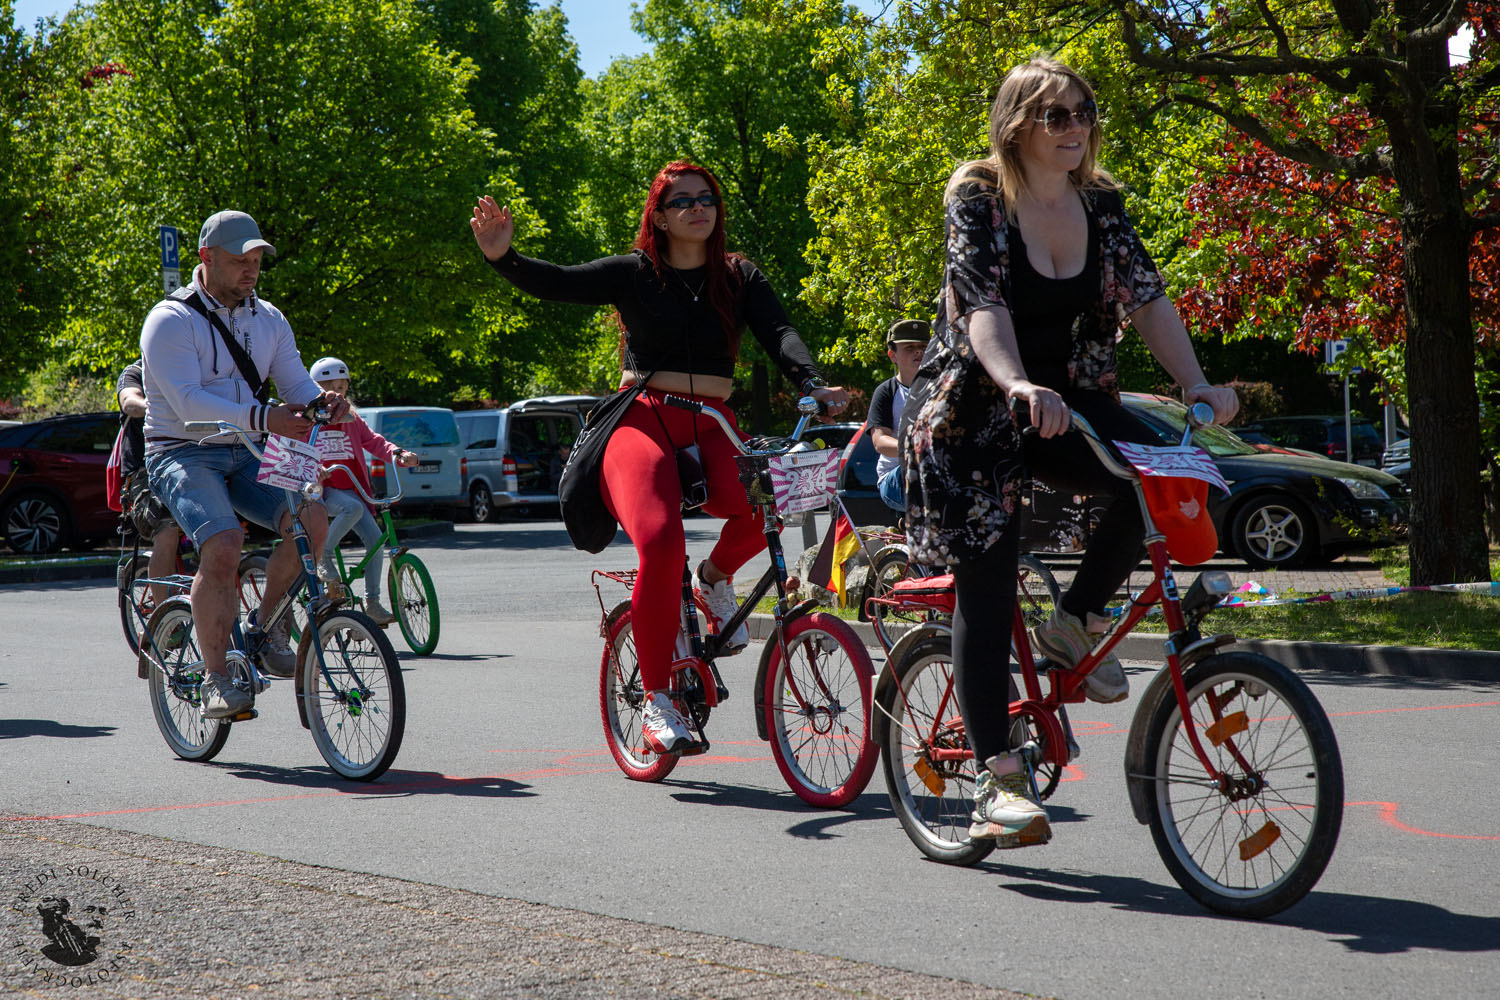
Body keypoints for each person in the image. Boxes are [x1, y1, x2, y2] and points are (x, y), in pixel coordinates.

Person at [902, 58, 1238, 847]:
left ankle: (1075, 620)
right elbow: (981, 305)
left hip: (1074, 399)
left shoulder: (1103, 203)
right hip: (981, 409)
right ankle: (997, 780)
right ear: (1016, 123)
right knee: (987, 584)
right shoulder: (979, 195)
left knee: (1172, 480)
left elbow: (1148, 297)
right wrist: (1018, 384)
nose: (1075, 127)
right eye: (1056, 115)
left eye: (1084, 112)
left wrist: (1196, 386)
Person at [471, 161, 850, 755]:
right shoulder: (635, 273)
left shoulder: (739, 277)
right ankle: (657, 700)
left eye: (708, 199)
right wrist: (503, 257)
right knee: (660, 539)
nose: (699, 208)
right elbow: (560, 281)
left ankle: (713, 581)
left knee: (764, 507)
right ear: (660, 215)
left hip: (713, 423)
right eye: (683, 201)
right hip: (641, 418)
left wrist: (814, 381)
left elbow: (781, 334)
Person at [141, 210, 348, 719]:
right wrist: (264, 416)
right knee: (224, 543)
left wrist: (322, 402)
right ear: (205, 258)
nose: (250, 271)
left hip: (249, 448)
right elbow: (187, 403)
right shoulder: (170, 321)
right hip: (182, 450)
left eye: (256, 261)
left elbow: (295, 386)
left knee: (313, 521)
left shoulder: (269, 318)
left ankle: (268, 625)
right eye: (239, 262)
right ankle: (216, 680)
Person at [304, 355, 419, 624]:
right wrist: (314, 467)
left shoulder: (352, 418)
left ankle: (372, 603)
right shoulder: (307, 419)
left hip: (354, 489)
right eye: (329, 386)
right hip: (324, 491)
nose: (337, 392)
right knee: (351, 507)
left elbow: (374, 441)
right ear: (314, 388)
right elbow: (295, 451)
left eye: (342, 387)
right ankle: (324, 555)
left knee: (375, 542)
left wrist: (398, 453)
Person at [117, 358, 184, 605]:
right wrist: (157, 407)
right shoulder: (135, 372)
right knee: (166, 532)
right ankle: (162, 618)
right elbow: (129, 402)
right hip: (145, 469)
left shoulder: (191, 368)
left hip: (191, 463)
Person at [867, 319, 930, 514]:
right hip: (894, 480)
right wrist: (917, 448)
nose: (918, 351)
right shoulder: (886, 392)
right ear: (892, 355)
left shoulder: (944, 388)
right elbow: (880, 442)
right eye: (909, 347)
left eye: (923, 346)